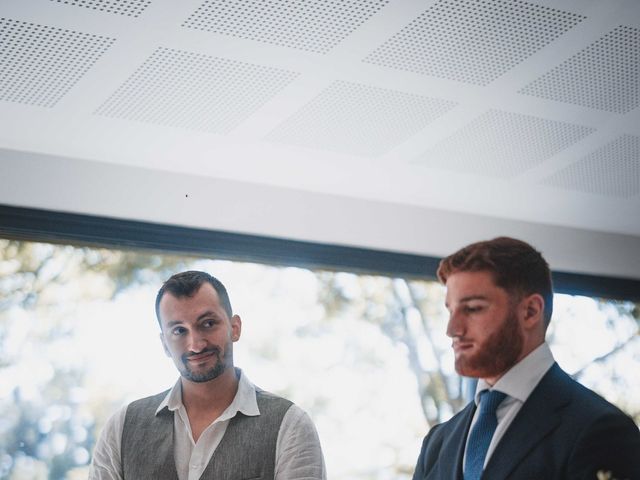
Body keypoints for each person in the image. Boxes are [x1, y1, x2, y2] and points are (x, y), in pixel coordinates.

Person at [412, 237, 640, 480]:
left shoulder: (599, 430)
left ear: (530, 312)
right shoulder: (437, 443)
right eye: (451, 311)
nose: (452, 329)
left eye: (473, 308)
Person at [89, 270, 326, 479]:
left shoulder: (290, 425)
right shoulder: (122, 428)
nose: (195, 344)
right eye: (179, 330)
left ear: (235, 327)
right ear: (164, 344)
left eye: (208, 323)